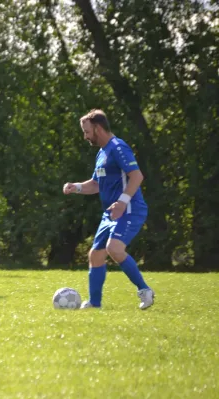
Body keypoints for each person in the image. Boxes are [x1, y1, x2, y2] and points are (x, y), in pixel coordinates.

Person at [63, 109, 154, 310]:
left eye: (87, 131)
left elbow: (137, 176)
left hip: (129, 209)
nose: (85, 136)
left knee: (114, 249)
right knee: (95, 255)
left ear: (97, 128)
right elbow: (95, 185)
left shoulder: (118, 148)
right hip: (111, 213)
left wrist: (122, 202)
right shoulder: (101, 153)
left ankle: (145, 290)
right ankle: (95, 304)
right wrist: (76, 187)